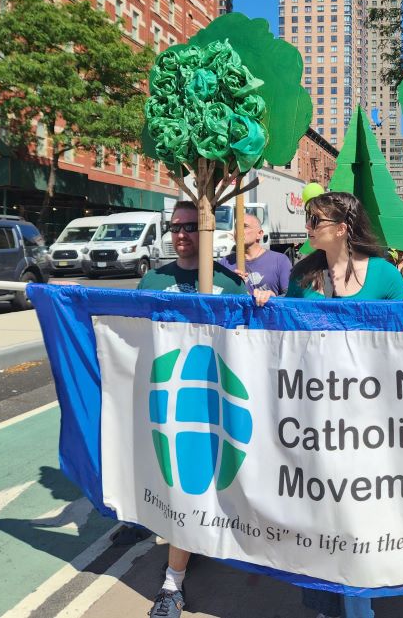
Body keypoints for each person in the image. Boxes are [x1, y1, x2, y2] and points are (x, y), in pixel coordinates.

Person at [257, 191, 403, 618]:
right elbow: (285, 337)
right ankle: (322, 605)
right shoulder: (303, 276)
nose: (308, 226)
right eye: (308, 218)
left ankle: (359, 608)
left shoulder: (386, 276)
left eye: (316, 220)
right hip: (314, 418)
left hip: (369, 421)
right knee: (317, 515)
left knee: (357, 516)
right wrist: (267, 305)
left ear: (343, 228)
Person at [138, 201, 249, 618]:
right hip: (171, 401)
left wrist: (261, 301)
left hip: (217, 400)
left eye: (190, 226)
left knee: (213, 485)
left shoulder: (228, 282)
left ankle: (201, 548)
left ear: (207, 230)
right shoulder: (154, 279)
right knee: (180, 486)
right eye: (175, 227)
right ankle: (172, 584)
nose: (181, 234)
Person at [217, 212, 292, 296]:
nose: (238, 231)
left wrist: (272, 297)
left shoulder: (280, 261)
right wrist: (231, 284)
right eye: (236, 227)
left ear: (259, 234)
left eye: (245, 226)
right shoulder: (225, 263)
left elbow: (290, 297)